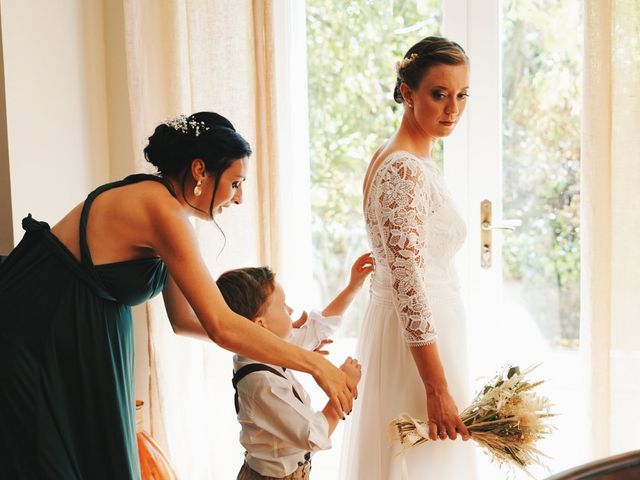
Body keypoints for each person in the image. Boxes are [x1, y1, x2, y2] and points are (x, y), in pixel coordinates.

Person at [0, 112, 353, 479]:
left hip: (82, 336)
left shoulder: (170, 211)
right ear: (201, 170)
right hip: (38, 335)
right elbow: (219, 325)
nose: (239, 198)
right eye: (236, 183)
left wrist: (279, 346)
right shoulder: (160, 210)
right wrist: (313, 364)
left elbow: (185, 319)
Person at [341, 37, 476, 479]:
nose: (452, 108)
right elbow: (408, 283)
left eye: (461, 95)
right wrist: (435, 387)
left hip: (425, 334)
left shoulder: (410, 158)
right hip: (417, 349)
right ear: (406, 92)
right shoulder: (402, 169)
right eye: (439, 94)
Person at [217, 252, 374, 479]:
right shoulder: (262, 382)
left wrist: (353, 286)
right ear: (260, 325)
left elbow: (316, 330)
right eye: (282, 306)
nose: (290, 311)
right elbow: (313, 435)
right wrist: (345, 386)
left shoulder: (263, 348)